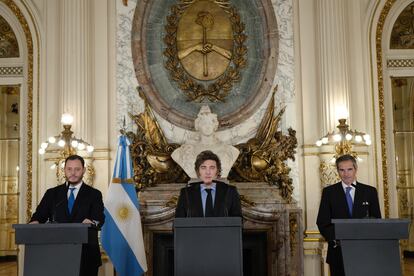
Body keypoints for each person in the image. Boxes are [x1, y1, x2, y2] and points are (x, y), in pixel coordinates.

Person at [30, 154, 105, 276]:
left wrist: (92, 222)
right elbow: (39, 215)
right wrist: (35, 221)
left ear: (84, 170)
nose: (73, 173)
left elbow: (99, 218)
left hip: (86, 255)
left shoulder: (94, 194)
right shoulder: (52, 194)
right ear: (64, 170)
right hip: (57, 253)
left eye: (77, 169)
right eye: (69, 169)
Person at [316, 154, 381, 276]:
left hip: (364, 251)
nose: (346, 174)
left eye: (349, 169)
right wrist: (339, 238)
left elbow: (376, 220)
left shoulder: (370, 191)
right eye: (342, 170)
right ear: (338, 171)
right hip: (338, 252)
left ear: (356, 169)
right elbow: (322, 222)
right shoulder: (329, 192)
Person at [171, 105, 239, 178]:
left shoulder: (229, 150)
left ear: (215, 126)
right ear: (198, 126)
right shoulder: (185, 150)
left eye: (210, 123)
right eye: (204, 123)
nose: (207, 126)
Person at [175, 150, 242, 218]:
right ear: (198, 171)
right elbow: (178, 223)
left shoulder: (230, 191)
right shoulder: (186, 193)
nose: (208, 172)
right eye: (203, 167)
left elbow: (238, 222)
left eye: (212, 168)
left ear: (217, 171)